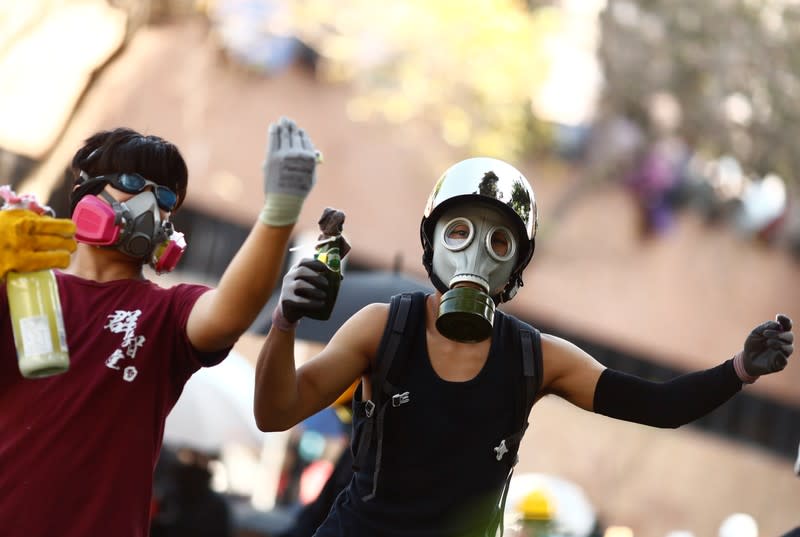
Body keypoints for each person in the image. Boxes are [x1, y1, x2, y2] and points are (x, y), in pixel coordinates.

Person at [253, 157, 795, 537]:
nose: (477, 256)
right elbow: (275, 412)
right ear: (432, 241)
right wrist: (284, 321)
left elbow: (658, 405)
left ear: (516, 267)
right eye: (459, 231)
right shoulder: (381, 328)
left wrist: (740, 369)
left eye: (500, 242)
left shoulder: (536, 359)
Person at [0, 116, 320, 537]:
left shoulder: (167, 311)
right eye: (132, 182)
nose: (150, 203)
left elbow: (228, 314)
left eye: (165, 195)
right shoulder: (22, 289)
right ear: (85, 192)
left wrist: (279, 212)